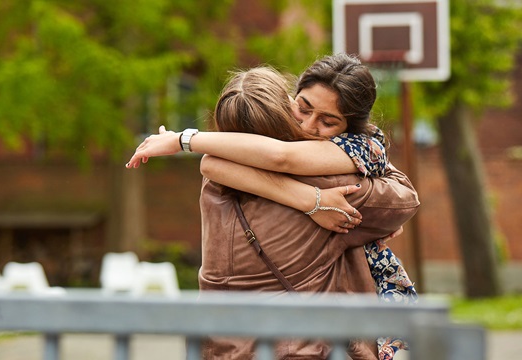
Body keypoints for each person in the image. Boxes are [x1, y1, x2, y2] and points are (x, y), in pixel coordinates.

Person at [127, 57, 419, 359]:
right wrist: (311, 200)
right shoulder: (338, 184)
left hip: (219, 349)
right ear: (288, 101)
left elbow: (218, 162)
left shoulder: (215, 183)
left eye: (327, 121)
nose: (308, 125)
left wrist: (183, 139)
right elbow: (404, 198)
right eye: (303, 108)